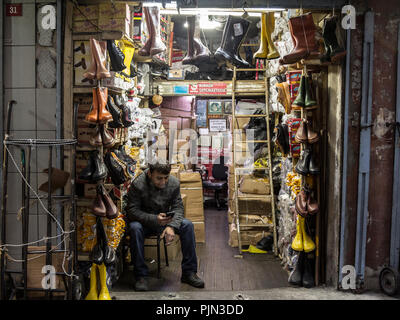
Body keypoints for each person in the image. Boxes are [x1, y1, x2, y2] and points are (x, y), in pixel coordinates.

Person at [124, 161, 205, 291]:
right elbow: (132, 211)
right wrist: (154, 219)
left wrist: (171, 226)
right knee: (134, 228)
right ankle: (141, 276)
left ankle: (189, 273)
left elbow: (178, 207)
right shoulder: (138, 184)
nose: (163, 182)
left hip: (166, 220)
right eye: (159, 178)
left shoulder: (173, 183)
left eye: (166, 177)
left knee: (187, 225)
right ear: (150, 174)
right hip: (145, 222)